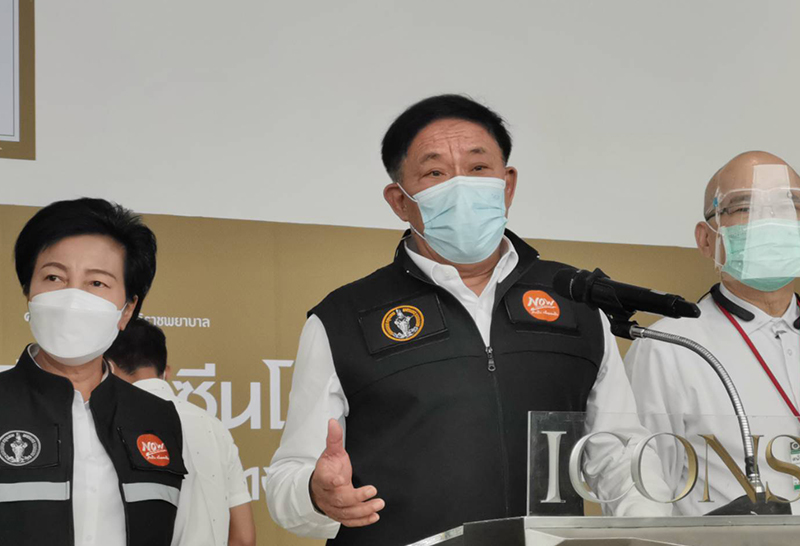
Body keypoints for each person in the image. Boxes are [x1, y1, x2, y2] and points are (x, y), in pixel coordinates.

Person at [266, 94, 670, 546]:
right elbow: (289, 477)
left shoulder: (576, 299)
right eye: (435, 173)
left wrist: (650, 532)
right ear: (400, 201)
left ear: (507, 184)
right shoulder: (343, 318)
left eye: (478, 168)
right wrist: (315, 495)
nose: (461, 186)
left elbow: (618, 453)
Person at [0, 198, 187, 546]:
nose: (73, 298)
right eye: (54, 277)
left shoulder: (156, 417)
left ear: (127, 309)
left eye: (97, 283)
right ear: (29, 292)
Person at [625, 151, 800, 515]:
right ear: (706, 240)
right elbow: (644, 496)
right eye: (744, 207)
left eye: (789, 206)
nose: (770, 221)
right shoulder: (668, 349)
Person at [106, 318, 256, 546]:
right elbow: (244, 538)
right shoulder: (214, 427)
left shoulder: (108, 423)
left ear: (108, 367)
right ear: (165, 371)